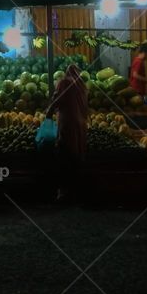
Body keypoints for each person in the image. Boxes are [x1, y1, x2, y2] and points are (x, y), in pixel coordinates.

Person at [45, 64, 88, 201]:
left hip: (67, 124)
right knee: (77, 154)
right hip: (81, 125)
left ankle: (64, 191)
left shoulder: (64, 82)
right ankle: (77, 190)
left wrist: (49, 113)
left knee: (64, 153)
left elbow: (57, 99)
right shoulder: (82, 87)